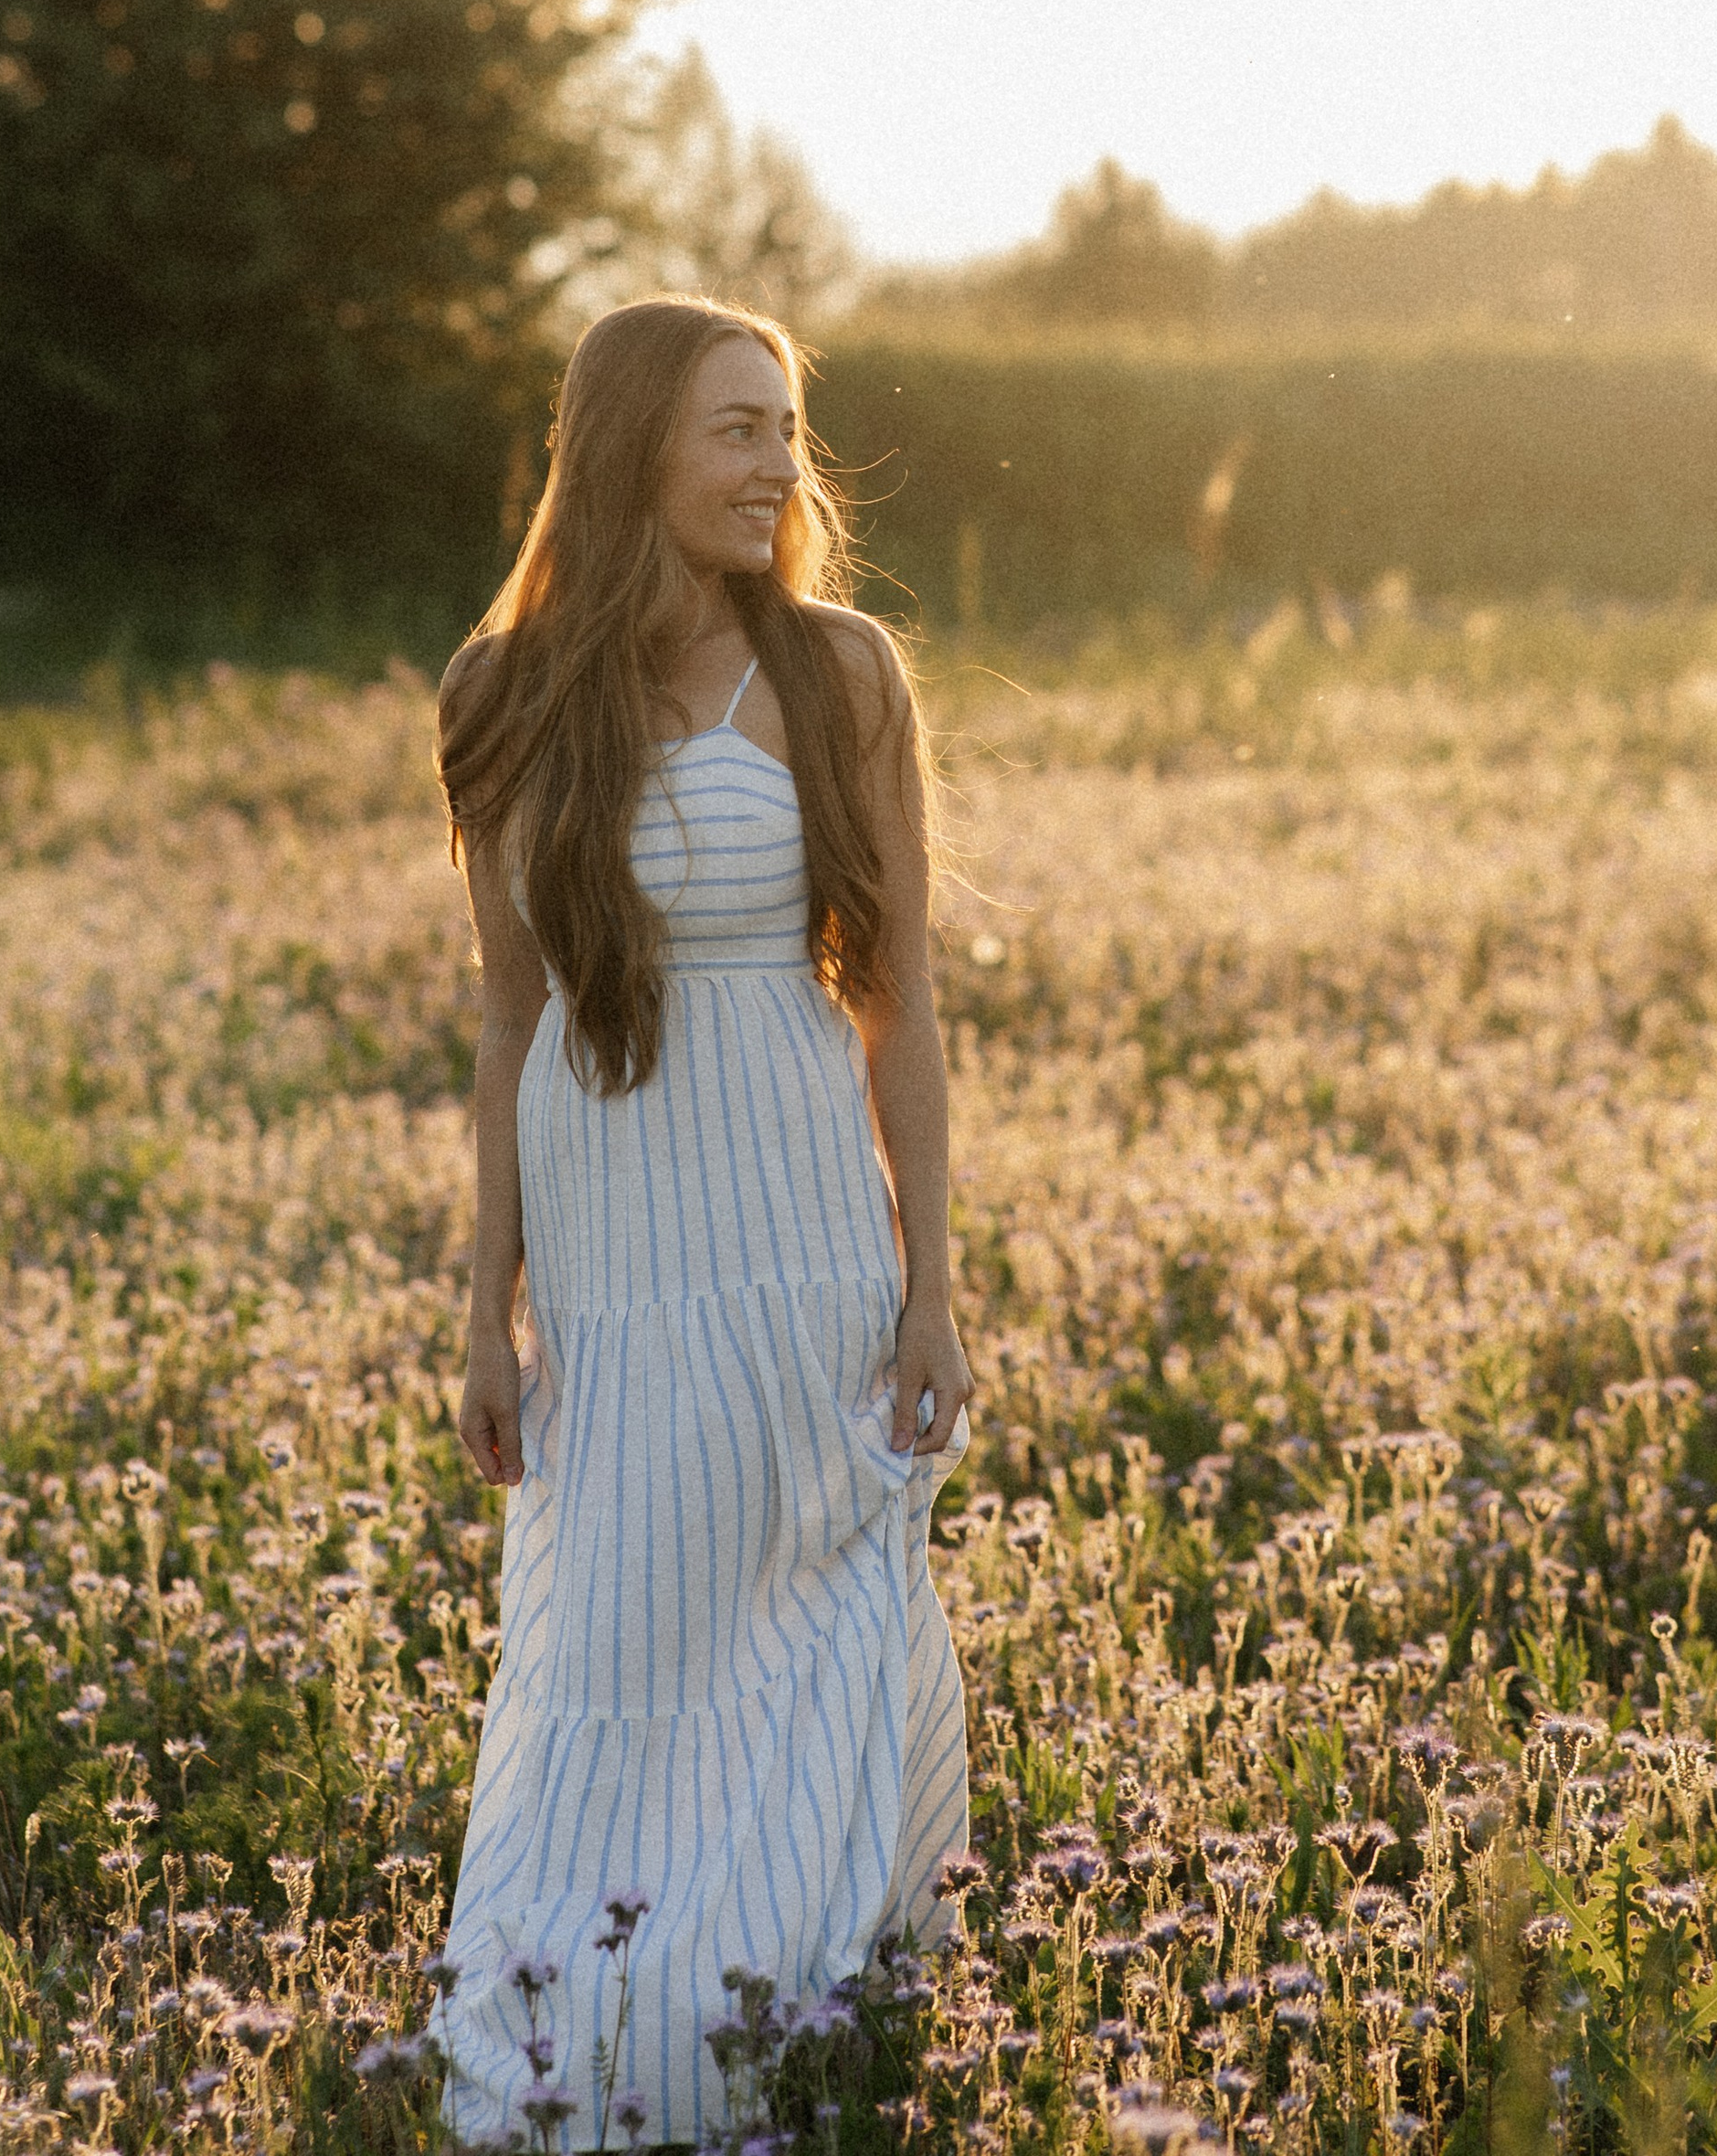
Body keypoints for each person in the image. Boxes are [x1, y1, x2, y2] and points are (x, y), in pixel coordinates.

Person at [429, 296, 972, 2149]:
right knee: (617, 1640)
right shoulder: (499, 695)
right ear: (631, 447)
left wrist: (929, 1298)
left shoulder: (838, 675)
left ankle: (783, 2032)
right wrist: (484, 1314)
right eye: (737, 429)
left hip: (804, 1220)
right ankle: (595, 2051)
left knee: (811, 1615)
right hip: (615, 1247)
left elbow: (895, 995)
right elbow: (510, 1016)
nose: (777, 470)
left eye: (787, 429)